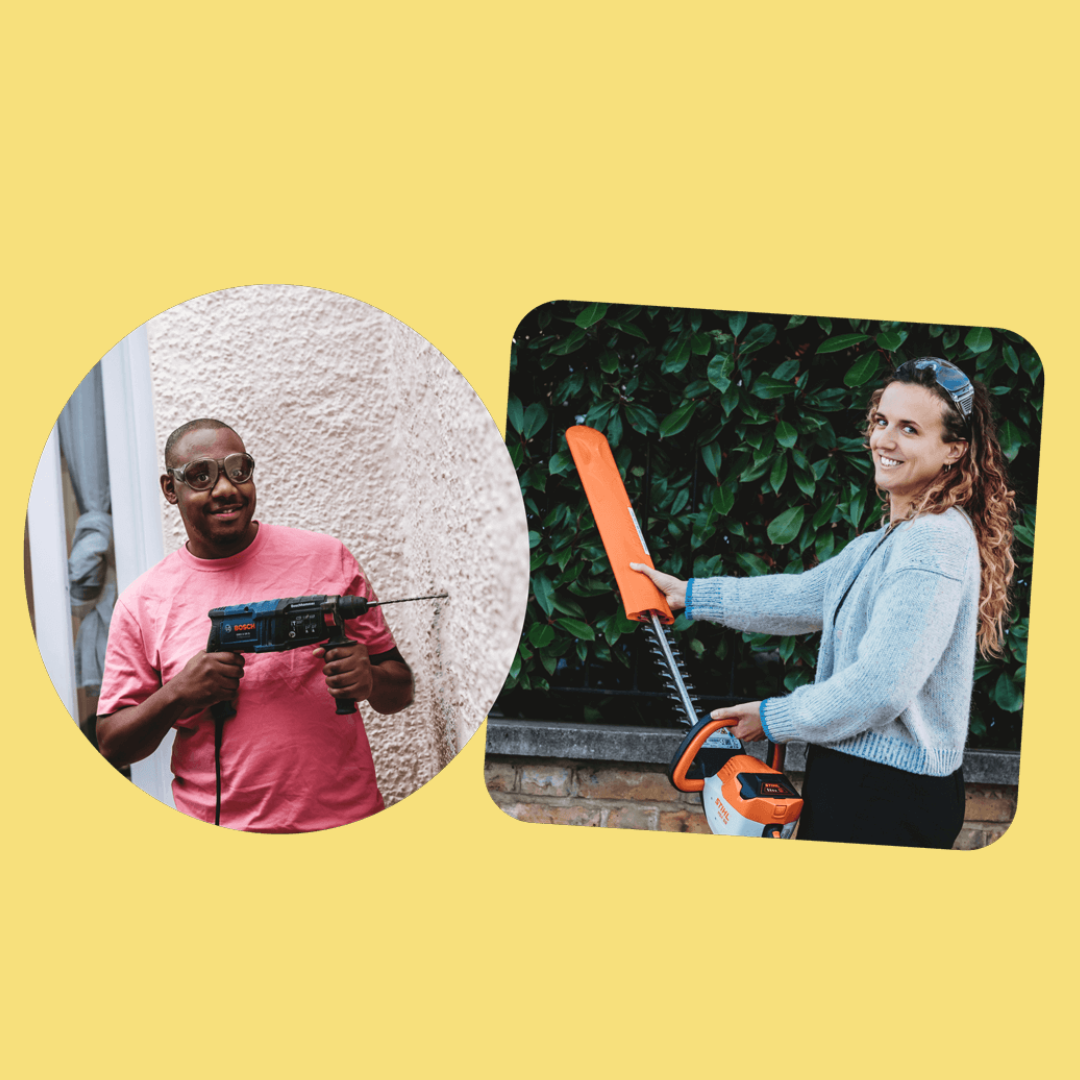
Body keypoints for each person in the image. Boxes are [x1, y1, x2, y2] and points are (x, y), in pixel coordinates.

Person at [633, 358, 1015, 848]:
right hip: (861, 779)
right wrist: (689, 594)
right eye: (882, 422)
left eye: (910, 429)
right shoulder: (892, 539)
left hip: (887, 795)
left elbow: (880, 686)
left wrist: (775, 718)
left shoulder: (931, 544)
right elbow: (802, 595)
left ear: (953, 450)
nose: (885, 440)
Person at [96, 419, 414, 832]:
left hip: (348, 823)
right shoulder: (143, 603)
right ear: (170, 489)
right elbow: (112, 745)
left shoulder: (327, 558)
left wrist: (368, 678)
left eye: (238, 470)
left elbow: (401, 689)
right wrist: (178, 694)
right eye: (201, 476)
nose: (226, 488)